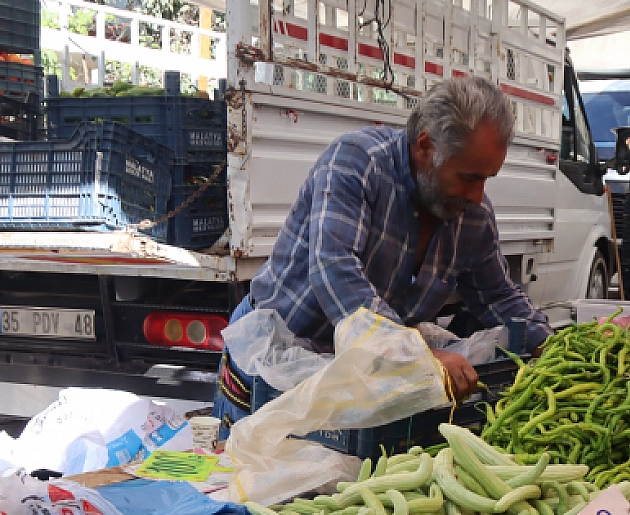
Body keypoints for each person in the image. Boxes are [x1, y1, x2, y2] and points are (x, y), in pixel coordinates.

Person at [213, 76, 550, 427]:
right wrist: (416, 356)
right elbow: (336, 269)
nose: (477, 195)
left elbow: (497, 296)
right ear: (425, 147)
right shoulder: (357, 162)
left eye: (486, 179)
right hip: (271, 365)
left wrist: (553, 343)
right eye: (468, 177)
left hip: (354, 380)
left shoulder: (473, 216)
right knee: (239, 471)